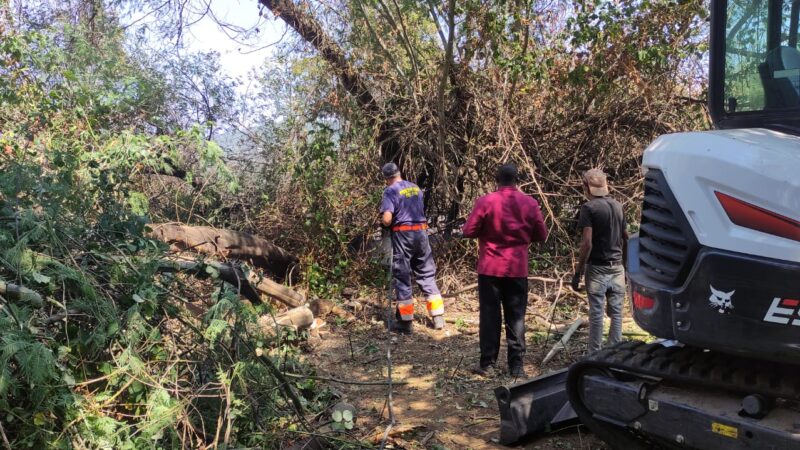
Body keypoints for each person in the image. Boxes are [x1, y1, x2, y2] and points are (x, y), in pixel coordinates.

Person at [462, 164, 548, 377]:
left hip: (490, 268)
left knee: (490, 316)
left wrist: (488, 234)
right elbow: (541, 234)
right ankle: (516, 366)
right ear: (517, 180)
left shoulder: (486, 201)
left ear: (496, 180)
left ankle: (488, 363)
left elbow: (469, 230)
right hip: (517, 268)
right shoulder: (530, 203)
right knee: (516, 317)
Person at [379, 162, 444, 334]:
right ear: (399, 173)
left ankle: (405, 323)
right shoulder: (415, 188)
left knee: (402, 276)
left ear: (386, 178)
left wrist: (383, 222)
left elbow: (387, 219)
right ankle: (438, 318)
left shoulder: (390, 191)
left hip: (404, 236)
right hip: (421, 235)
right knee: (426, 274)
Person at [571, 168, 628, 354]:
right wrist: (626, 267)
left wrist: (578, 271)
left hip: (597, 268)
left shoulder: (589, 208)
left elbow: (587, 243)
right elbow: (626, 237)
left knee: (596, 313)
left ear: (586, 187)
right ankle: (614, 353)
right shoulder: (618, 206)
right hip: (617, 267)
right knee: (617, 313)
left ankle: (594, 354)